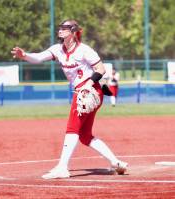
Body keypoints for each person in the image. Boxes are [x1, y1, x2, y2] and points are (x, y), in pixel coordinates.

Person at [11, 19, 128, 179]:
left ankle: (62, 167)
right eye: (60, 27)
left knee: (72, 129)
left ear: (73, 32)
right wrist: (24, 56)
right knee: (85, 135)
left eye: (65, 28)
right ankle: (116, 162)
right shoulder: (58, 49)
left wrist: (88, 83)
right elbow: (38, 58)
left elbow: (100, 69)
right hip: (83, 92)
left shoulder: (84, 50)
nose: (60, 30)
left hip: (90, 91)